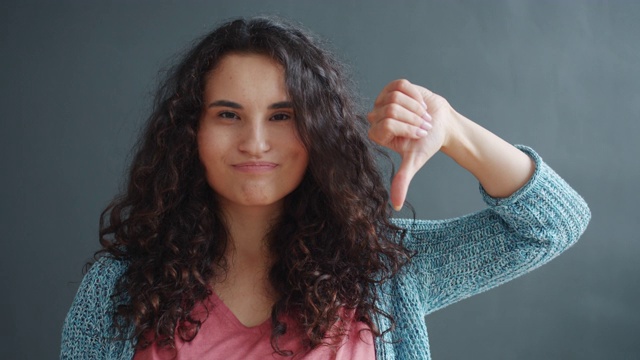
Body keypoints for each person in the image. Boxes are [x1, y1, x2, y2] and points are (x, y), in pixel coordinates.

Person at [61, 16, 590, 360]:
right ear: (189, 131)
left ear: (318, 130)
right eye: (228, 114)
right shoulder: (118, 289)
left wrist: (452, 129)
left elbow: (552, 225)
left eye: (283, 115)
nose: (255, 141)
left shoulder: (381, 267)